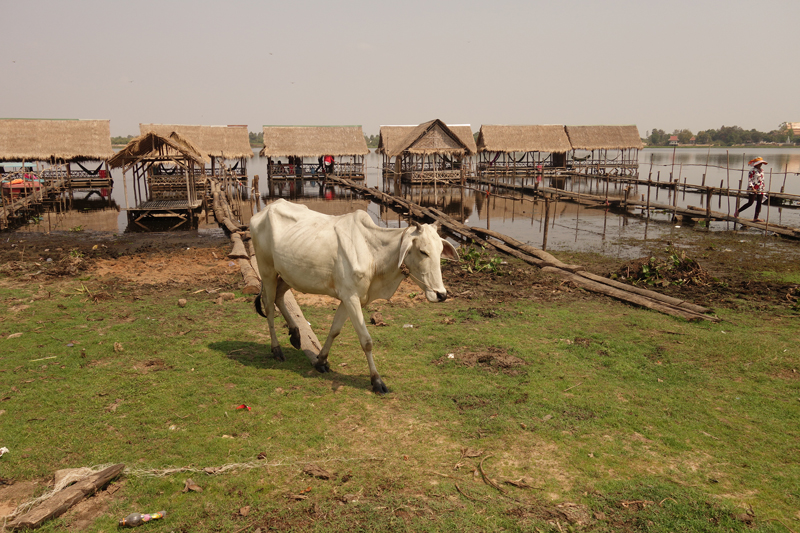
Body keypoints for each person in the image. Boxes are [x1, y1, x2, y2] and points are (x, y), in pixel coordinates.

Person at [734, 157, 767, 222]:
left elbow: (762, 180)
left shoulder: (762, 170)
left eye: (761, 163)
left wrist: (763, 187)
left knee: (759, 203)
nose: (760, 165)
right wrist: (753, 188)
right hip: (753, 188)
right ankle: (738, 211)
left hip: (760, 188)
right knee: (750, 203)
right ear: (756, 164)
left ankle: (756, 218)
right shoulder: (752, 170)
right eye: (759, 163)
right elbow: (750, 180)